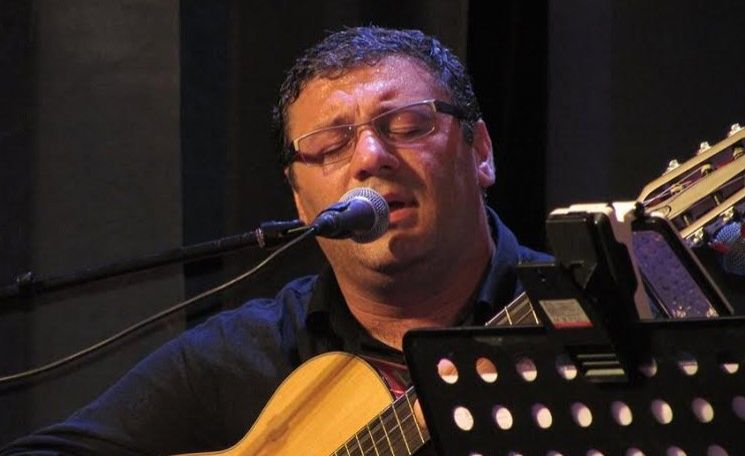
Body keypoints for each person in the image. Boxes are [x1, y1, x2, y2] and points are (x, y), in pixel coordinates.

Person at [2, 26, 549, 455]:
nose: (370, 157)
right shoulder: (243, 354)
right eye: (331, 145)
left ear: (480, 152)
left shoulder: (573, 311)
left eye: (406, 125)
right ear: (300, 202)